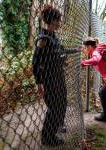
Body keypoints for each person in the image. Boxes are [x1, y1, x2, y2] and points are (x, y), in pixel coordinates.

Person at [32, 4, 80, 146]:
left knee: (62, 102)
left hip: (58, 77)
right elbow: (35, 62)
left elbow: (61, 51)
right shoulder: (44, 39)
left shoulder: (54, 37)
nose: (60, 23)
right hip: (49, 80)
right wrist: (39, 83)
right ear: (52, 21)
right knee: (54, 106)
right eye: (58, 20)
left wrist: (76, 50)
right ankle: (47, 137)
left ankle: (58, 124)